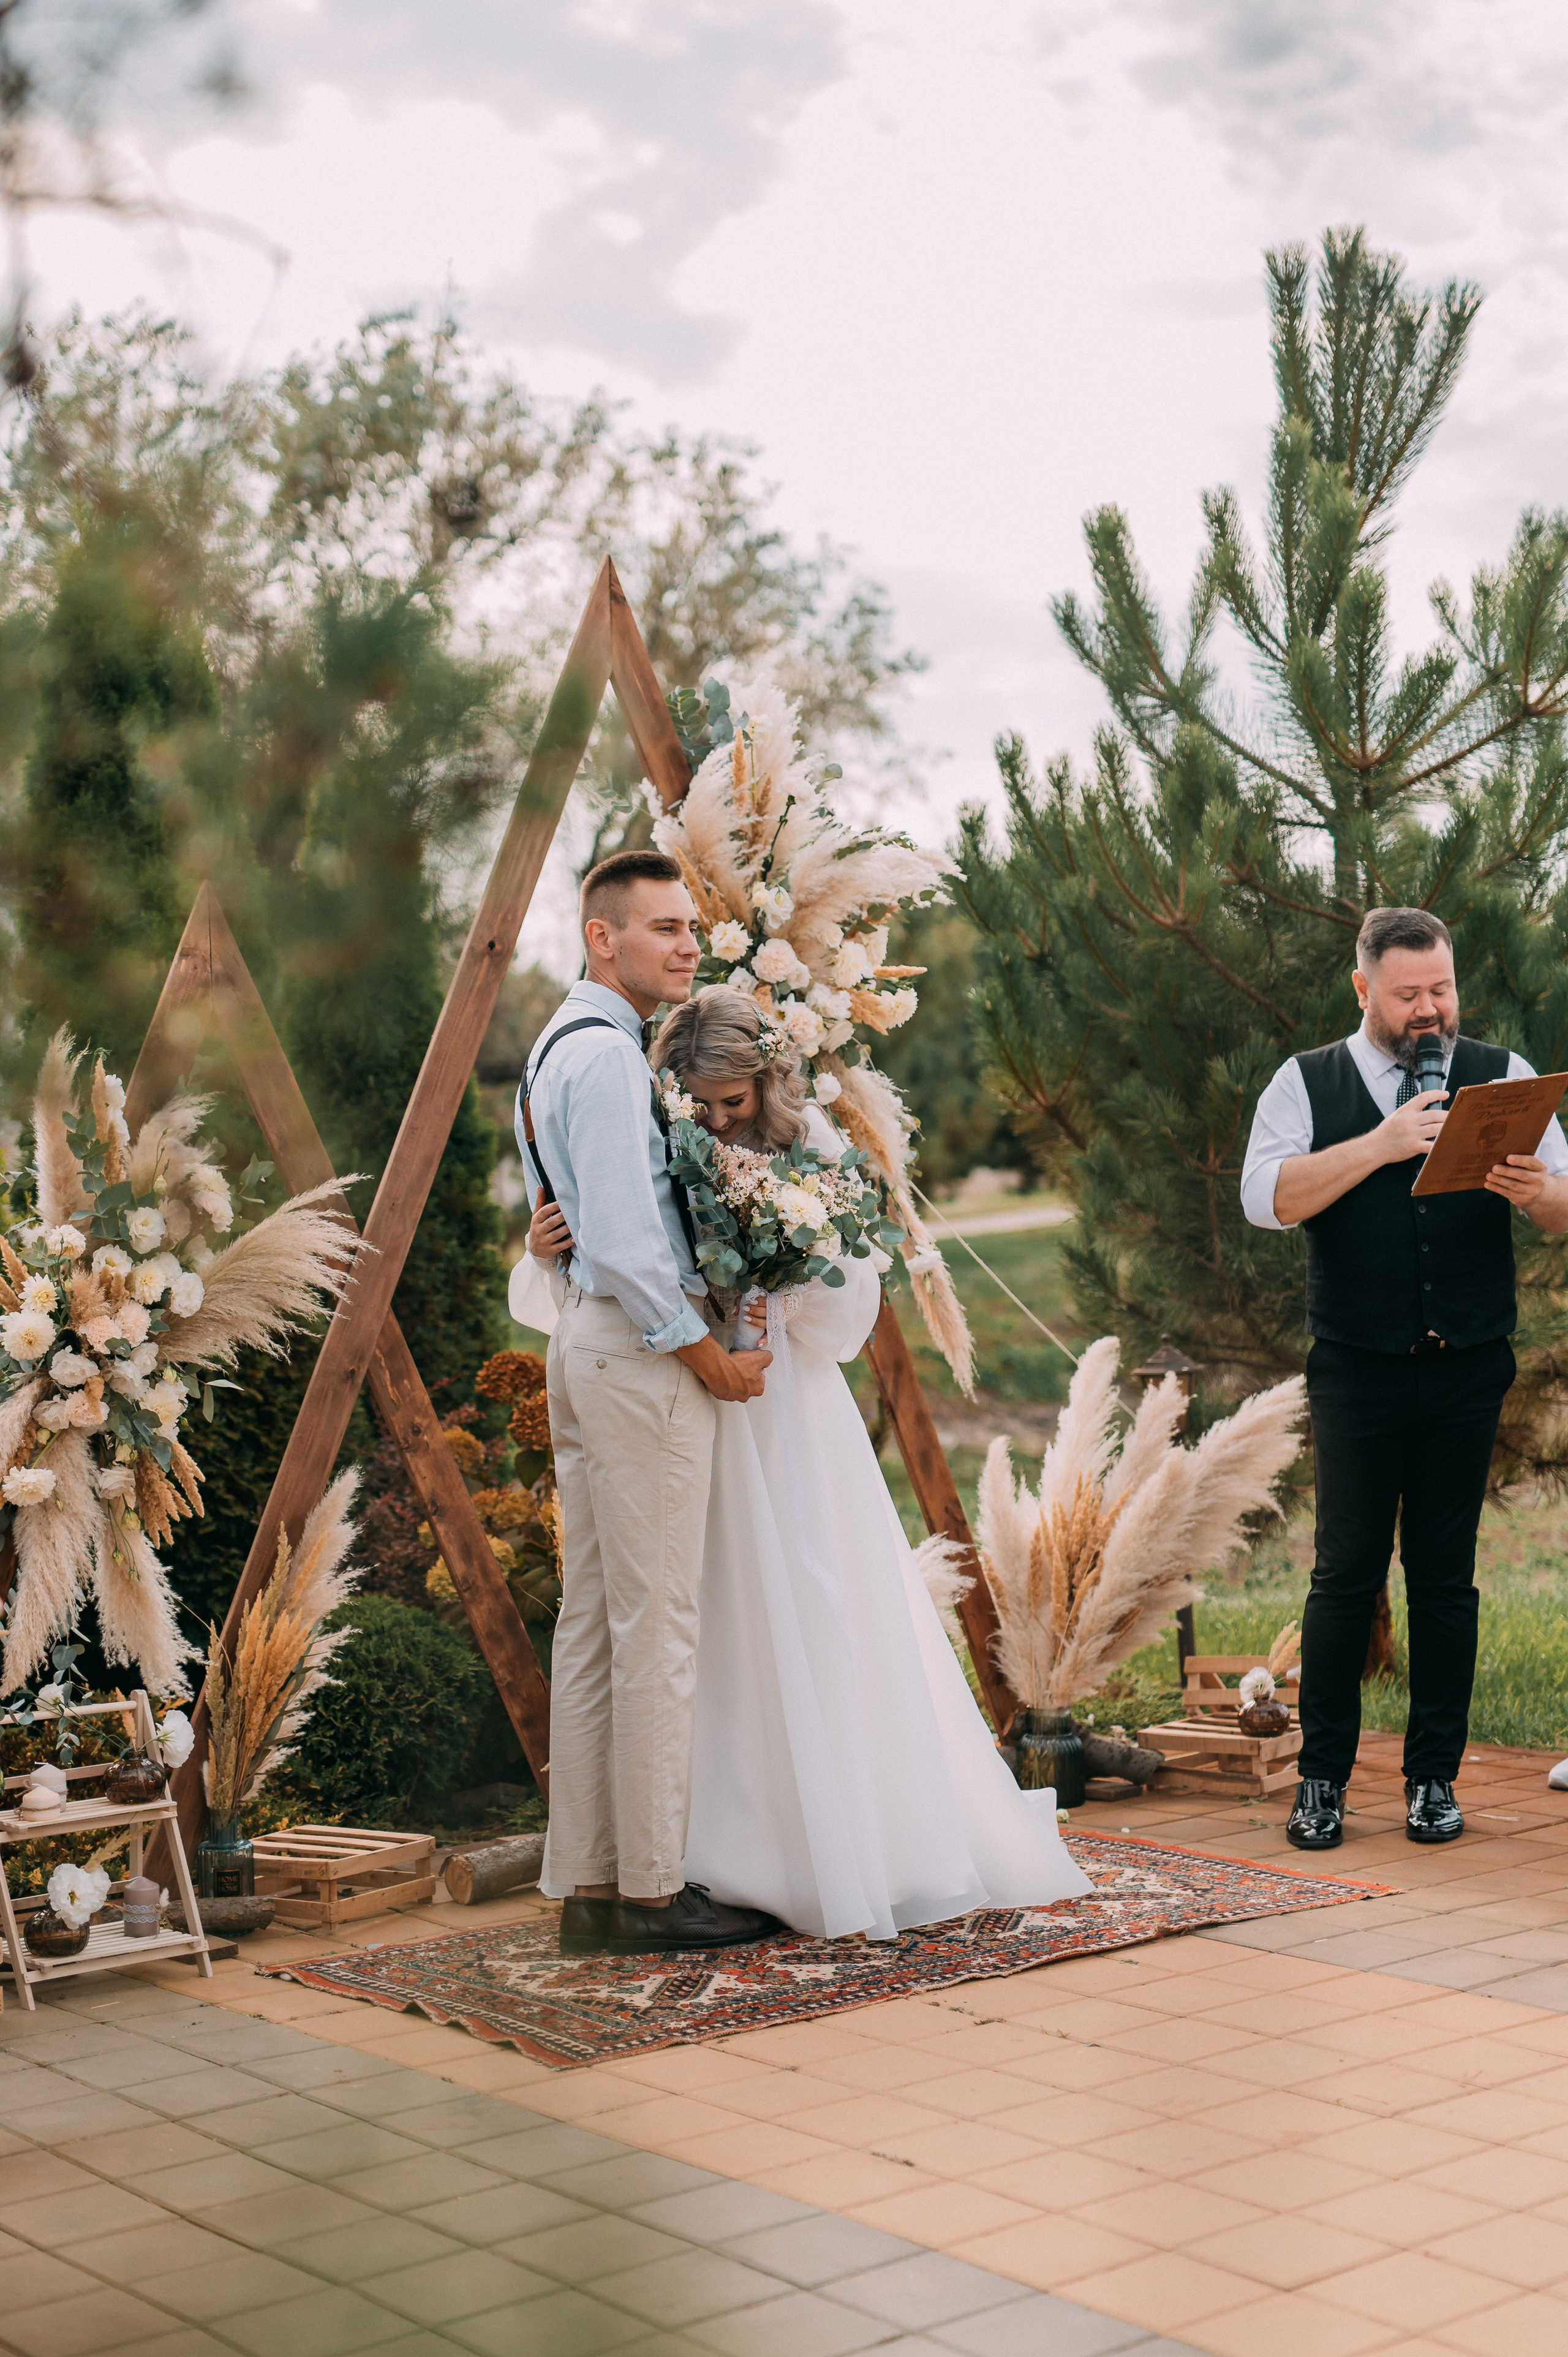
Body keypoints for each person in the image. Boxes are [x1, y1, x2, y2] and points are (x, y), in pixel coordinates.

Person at [521, 987, 1091, 1940]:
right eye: (696, 1104)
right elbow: (610, 1271)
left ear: (767, 1086)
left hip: (784, 1410)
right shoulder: (652, 1135)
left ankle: (825, 1841)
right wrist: (548, 1253)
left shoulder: (812, 1151)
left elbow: (848, 1312)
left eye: (731, 1103)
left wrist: (775, 1284)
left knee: (813, 1600)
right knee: (692, 1619)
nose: (713, 1121)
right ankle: (689, 1856)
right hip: (685, 1394)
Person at [1240, 907, 1568, 1850]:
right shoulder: (1307, 1082)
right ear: (1362, 991)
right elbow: (1265, 1199)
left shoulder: (1502, 1075)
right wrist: (1380, 1145)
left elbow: (1563, 1206)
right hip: (1356, 1369)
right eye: (1409, 994)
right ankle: (1324, 1782)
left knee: (1446, 1580)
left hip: (1468, 1365)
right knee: (1343, 1577)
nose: (1430, 1010)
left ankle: (1434, 1779)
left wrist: (1537, 1193)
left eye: (1443, 989)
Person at [515, 849, 782, 1958]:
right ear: (602, 936)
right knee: (657, 1625)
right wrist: (707, 1358)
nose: (686, 944)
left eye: (689, 928)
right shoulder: (615, 1063)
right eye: (664, 928)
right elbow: (628, 1242)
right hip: (640, 1357)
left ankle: (586, 1883)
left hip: (582, 1348)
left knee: (593, 1625)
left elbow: (566, 1216)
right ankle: (654, 1892)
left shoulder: (553, 1046)